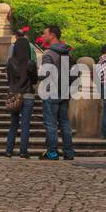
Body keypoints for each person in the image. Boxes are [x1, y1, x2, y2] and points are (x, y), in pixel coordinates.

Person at [39, 25, 75, 161]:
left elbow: (45, 75)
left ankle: (52, 153)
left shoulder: (49, 54)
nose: (43, 37)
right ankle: (69, 152)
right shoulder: (67, 53)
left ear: (52, 35)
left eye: (45, 34)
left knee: (51, 123)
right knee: (65, 122)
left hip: (51, 92)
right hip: (64, 91)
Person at [3, 26, 37, 158]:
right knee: (25, 125)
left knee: (13, 124)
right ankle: (23, 151)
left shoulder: (11, 62)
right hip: (27, 94)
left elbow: (9, 78)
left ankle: (8, 150)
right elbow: (34, 80)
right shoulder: (31, 63)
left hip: (14, 94)